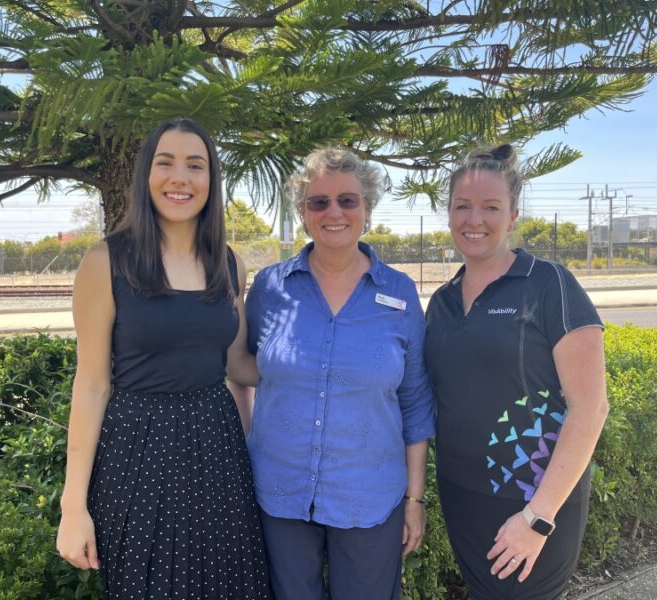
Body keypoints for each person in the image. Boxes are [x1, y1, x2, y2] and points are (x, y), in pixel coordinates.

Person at [55, 117, 269, 599]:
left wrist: (318, 367)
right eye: (166, 162)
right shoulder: (105, 262)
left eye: (196, 165)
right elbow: (91, 385)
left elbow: (237, 364)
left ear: (210, 181)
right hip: (137, 452)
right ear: (145, 176)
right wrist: (73, 506)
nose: (181, 178)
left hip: (218, 451)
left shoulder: (228, 263)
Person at [244, 147, 436, 600]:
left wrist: (414, 499)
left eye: (348, 200)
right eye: (319, 202)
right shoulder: (270, 288)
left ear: (366, 210)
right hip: (280, 492)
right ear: (303, 213)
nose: (334, 212)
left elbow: (415, 401)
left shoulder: (399, 293)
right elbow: (244, 368)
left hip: (370, 498)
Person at [424, 144, 609, 599]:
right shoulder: (442, 302)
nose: (474, 220)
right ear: (448, 214)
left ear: (512, 216)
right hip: (461, 494)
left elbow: (591, 407)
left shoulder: (549, 284)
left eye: (491, 207)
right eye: (462, 206)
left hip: (532, 499)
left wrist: (538, 517)